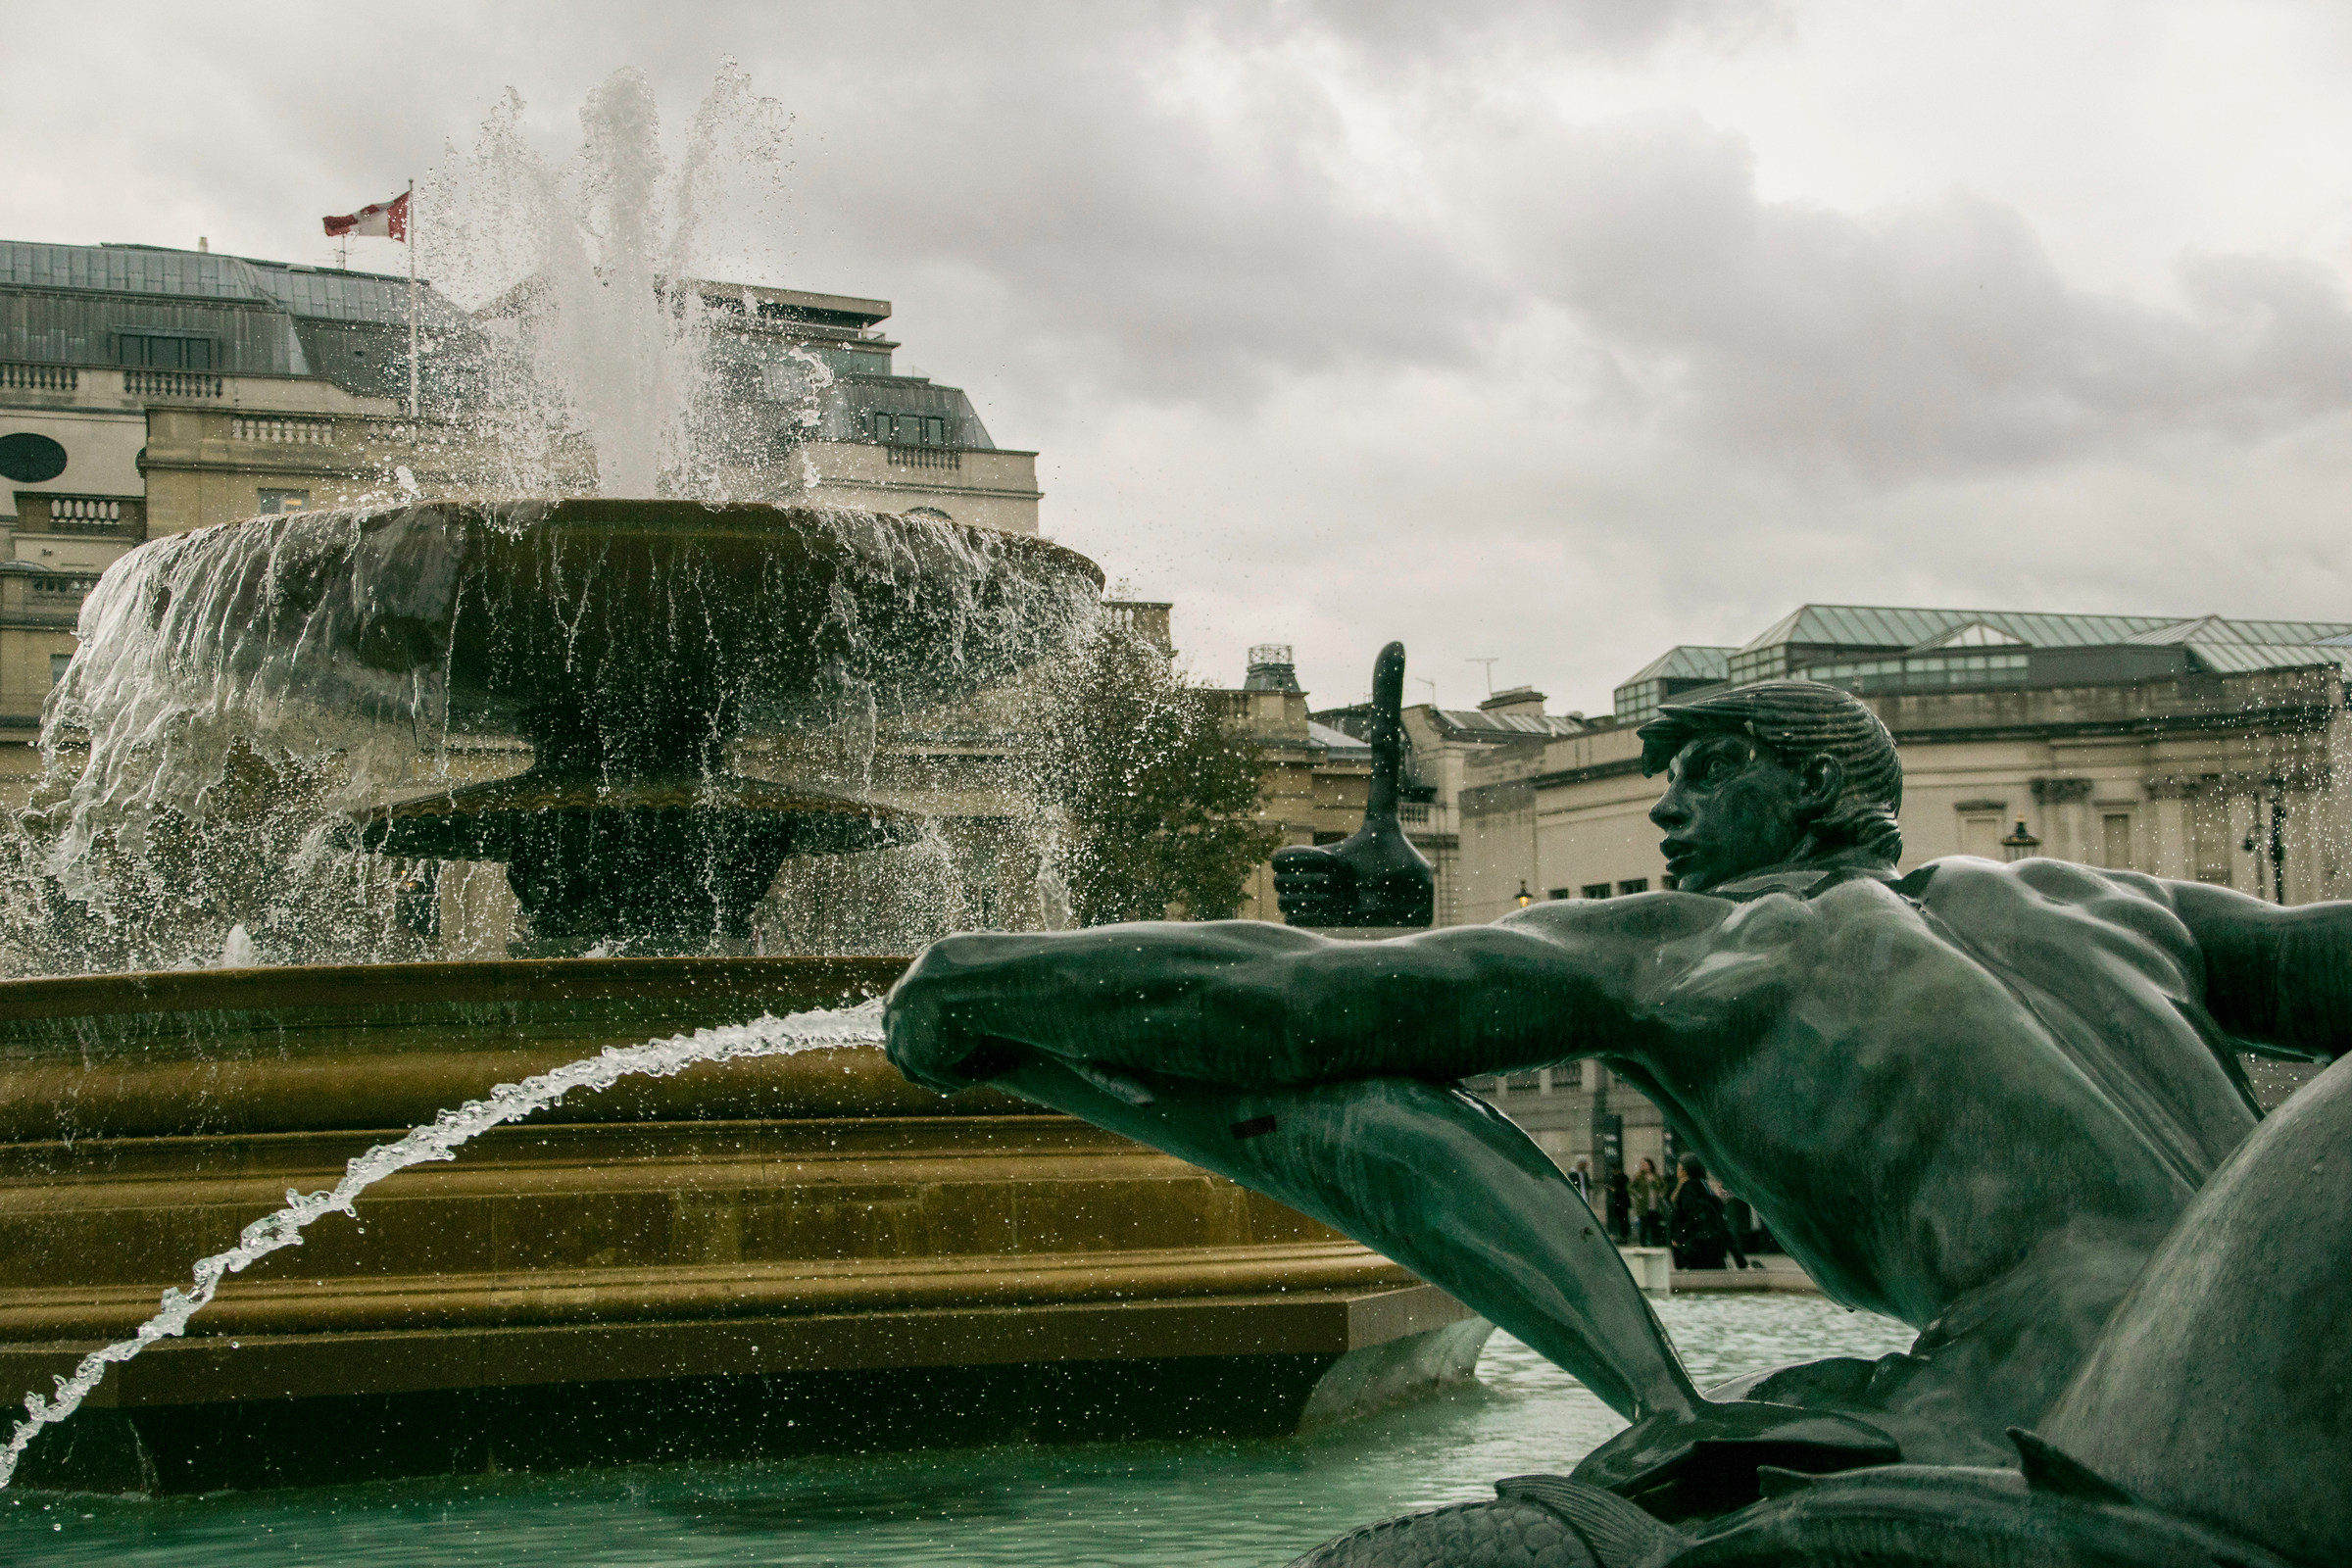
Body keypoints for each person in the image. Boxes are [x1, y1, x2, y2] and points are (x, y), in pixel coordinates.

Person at [884, 674, 2352, 1497]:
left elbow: (1278, 1004)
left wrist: (975, 979)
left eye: (1707, 770)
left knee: (1345, 1077)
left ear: (1817, 793)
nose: (1666, 804)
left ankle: (1659, 1402)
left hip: (2059, 1412)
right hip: (2298, 1356)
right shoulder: (2103, 900)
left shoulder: (1694, 946)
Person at [1628, 1156, 1666, 1248]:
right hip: (1643, 1205)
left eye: (1645, 1164)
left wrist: (1661, 1194)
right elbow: (1630, 1187)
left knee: (1655, 1225)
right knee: (1644, 1226)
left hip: (1654, 1204)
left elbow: (1664, 1186)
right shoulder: (1638, 1177)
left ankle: (1655, 1243)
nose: (1643, 1166)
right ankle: (1643, 1244)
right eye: (1642, 1164)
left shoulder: (1656, 1176)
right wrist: (1637, 1195)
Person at [1606, 1164, 1632, 1244]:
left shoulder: (1623, 1178)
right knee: (1618, 1220)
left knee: (1623, 1221)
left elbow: (1623, 1190)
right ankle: (1620, 1236)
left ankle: (1623, 1236)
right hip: (1616, 1203)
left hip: (1621, 1202)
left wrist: (1615, 1190)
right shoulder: (1613, 1178)